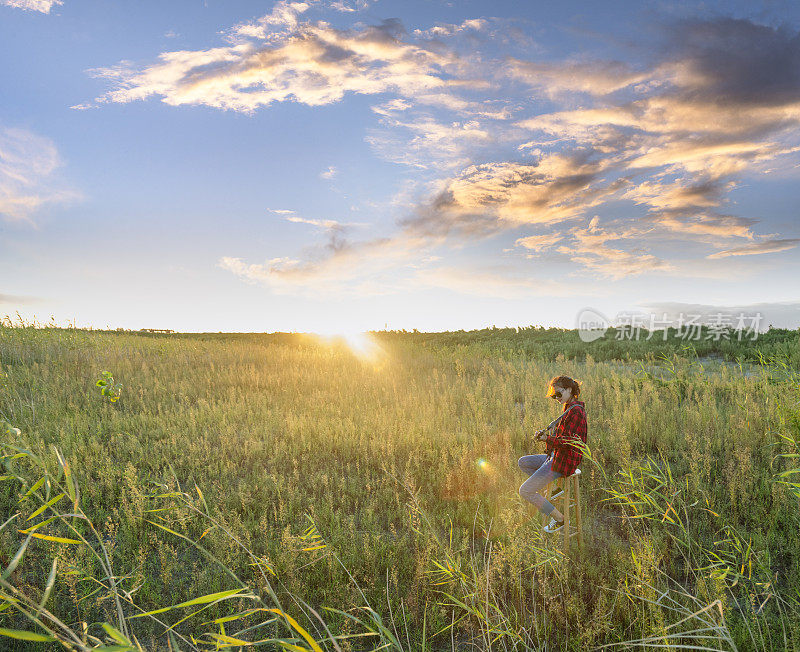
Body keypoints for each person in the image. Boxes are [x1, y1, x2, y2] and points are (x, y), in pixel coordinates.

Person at [518, 375, 587, 533]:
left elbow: (568, 442)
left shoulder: (575, 412)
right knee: (523, 462)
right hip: (557, 457)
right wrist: (547, 439)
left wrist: (547, 439)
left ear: (569, 390)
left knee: (525, 491)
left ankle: (559, 518)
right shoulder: (569, 408)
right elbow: (562, 439)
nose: (556, 398)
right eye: (554, 395)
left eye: (558, 394)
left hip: (564, 462)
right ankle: (555, 488)